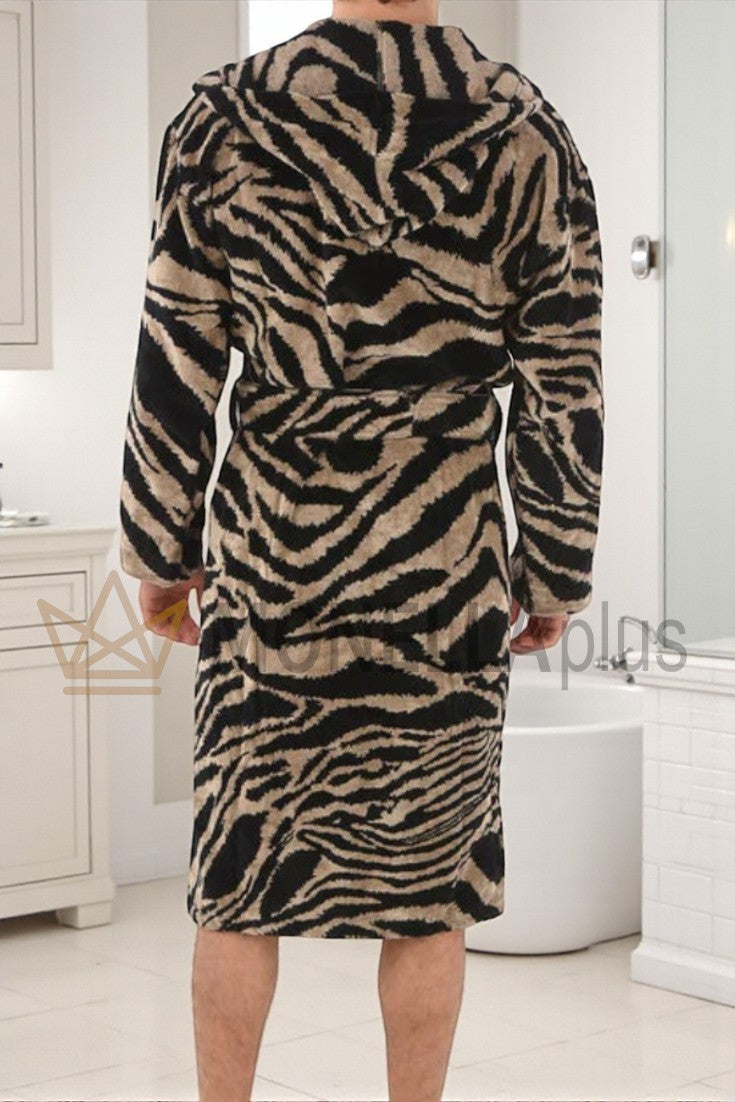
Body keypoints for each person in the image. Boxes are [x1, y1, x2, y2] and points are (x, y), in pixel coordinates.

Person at [118, 0, 604, 1097]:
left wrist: (161, 547)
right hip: (443, 560)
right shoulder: (523, 125)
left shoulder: (226, 118)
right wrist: (553, 567)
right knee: (430, 890)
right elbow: (562, 377)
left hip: (274, 553)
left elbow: (175, 355)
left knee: (240, 876)